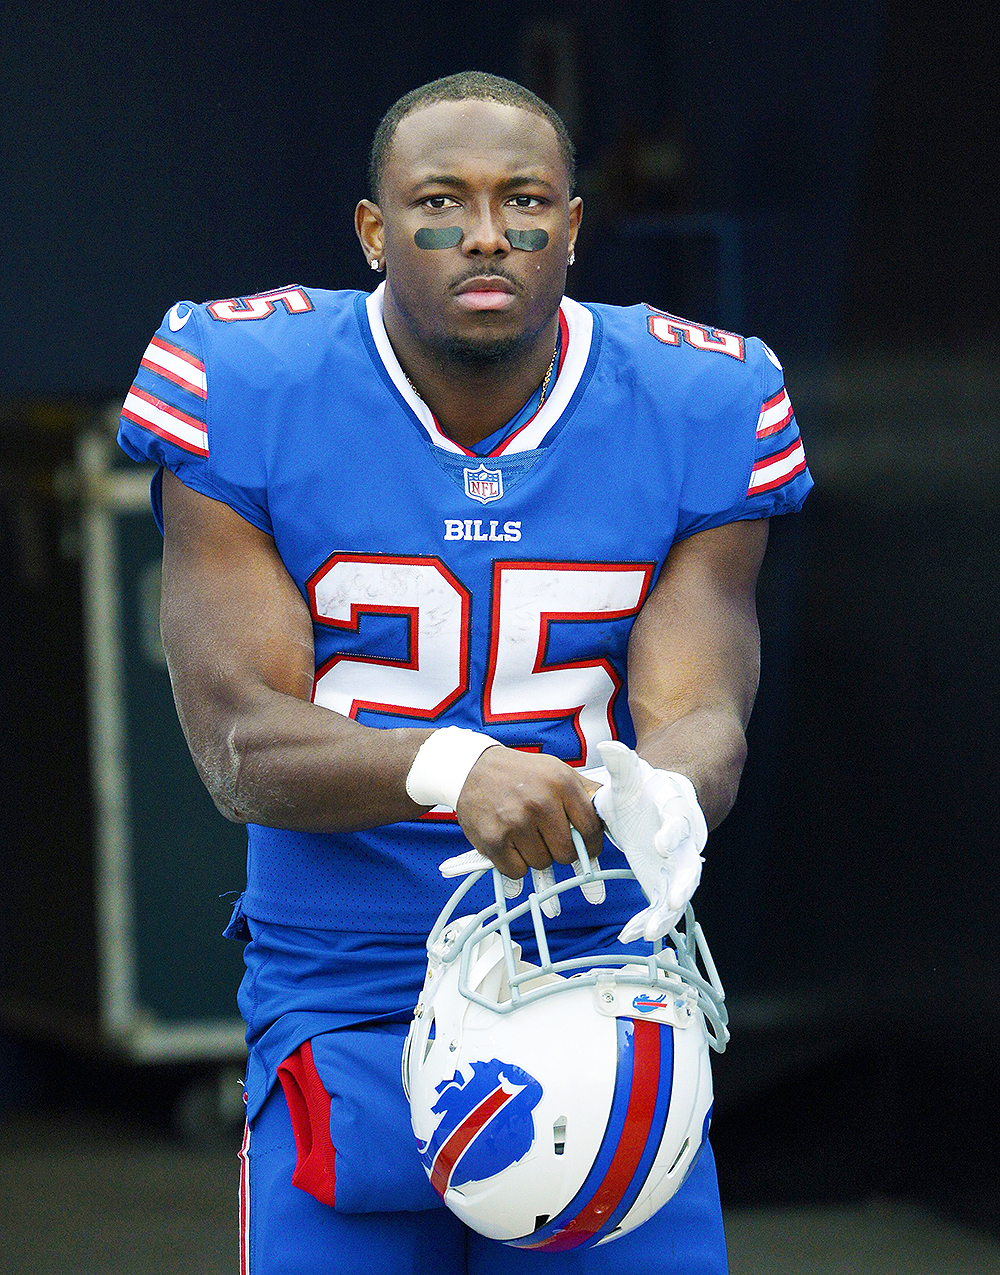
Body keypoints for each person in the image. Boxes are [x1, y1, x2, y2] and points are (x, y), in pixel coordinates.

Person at [118, 71, 811, 1275]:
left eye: (525, 200)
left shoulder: (702, 396)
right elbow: (239, 742)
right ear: (374, 232)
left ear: (575, 228)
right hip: (347, 988)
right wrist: (457, 767)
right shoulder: (244, 381)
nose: (486, 233)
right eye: (440, 201)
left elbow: (701, 709)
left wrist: (658, 799)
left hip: (599, 966)